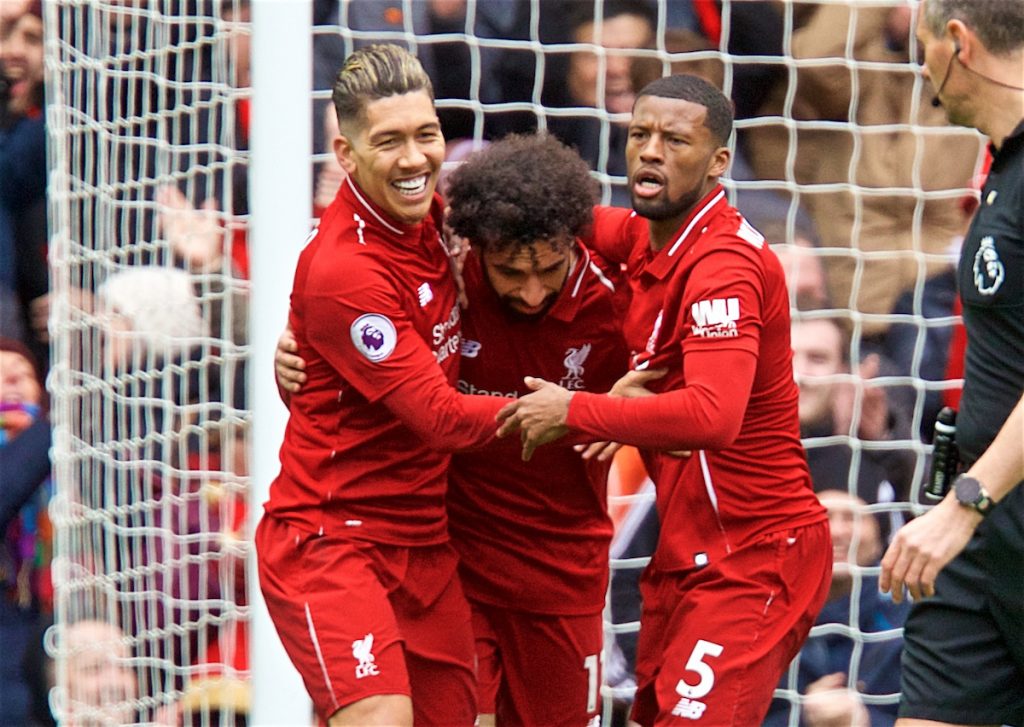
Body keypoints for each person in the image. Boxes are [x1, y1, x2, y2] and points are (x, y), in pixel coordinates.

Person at [497, 74, 831, 725]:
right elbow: (539, 208)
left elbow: (713, 415)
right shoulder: (650, 238)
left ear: (718, 162)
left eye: (675, 139)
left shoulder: (723, 267)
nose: (651, 150)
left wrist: (575, 408)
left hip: (755, 553)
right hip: (687, 555)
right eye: (640, 135)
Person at [277, 132, 631, 725]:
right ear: (479, 248)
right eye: (510, 272)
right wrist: (295, 363)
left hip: (562, 574)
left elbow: (686, 406)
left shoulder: (616, 309)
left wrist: (626, 411)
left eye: (549, 267)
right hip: (455, 565)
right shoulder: (446, 283)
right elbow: (357, 384)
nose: (531, 289)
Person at [256, 44, 510, 726]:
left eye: (425, 135)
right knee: (380, 717)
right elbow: (440, 419)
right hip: (331, 540)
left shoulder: (436, 219)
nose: (414, 158)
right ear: (346, 153)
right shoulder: (346, 269)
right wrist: (577, 413)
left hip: (424, 543)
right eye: (389, 142)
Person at [879, 2, 1024, 725]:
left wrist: (966, 502)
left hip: (978, 505)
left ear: (959, 44)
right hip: (977, 528)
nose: (921, 67)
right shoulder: (1000, 165)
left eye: (923, 48)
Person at [764, 490, 909, 727]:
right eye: (823, 517)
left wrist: (866, 721)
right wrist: (804, 718)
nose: (838, 532)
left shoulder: (911, 620)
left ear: (879, 539)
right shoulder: (761, 620)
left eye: (852, 518)